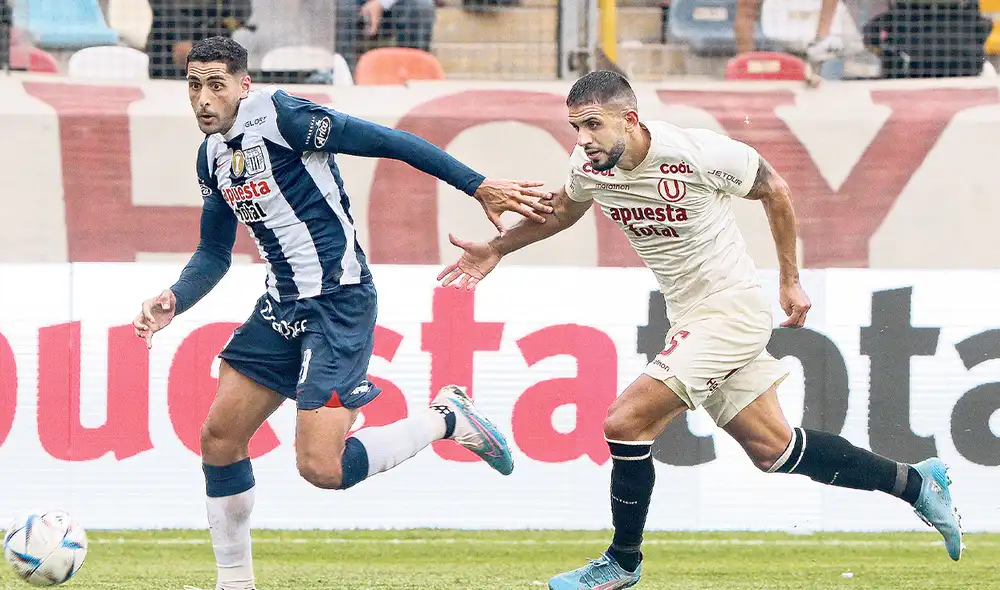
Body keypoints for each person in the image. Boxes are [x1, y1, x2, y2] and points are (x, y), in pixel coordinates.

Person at [438, 70, 964, 590]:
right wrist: (497, 248)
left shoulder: (700, 153)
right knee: (773, 450)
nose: (582, 139)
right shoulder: (589, 165)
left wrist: (790, 280)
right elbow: (563, 213)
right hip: (688, 315)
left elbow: (774, 190)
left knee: (625, 421)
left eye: (592, 125)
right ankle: (916, 483)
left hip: (732, 311)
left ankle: (622, 562)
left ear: (630, 119)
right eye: (575, 127)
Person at [131, 36, 553, 590]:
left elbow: (391, 141)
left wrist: (476, 185)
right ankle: (235, 583)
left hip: (338, 304)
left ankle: (446, 419)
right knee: (219, 438)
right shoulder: (212, 156)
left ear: (243, 85)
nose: (204, 98)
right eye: (194, 86)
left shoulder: (285, 119)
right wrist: (175, 299)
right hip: (281, 307)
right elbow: (214, 252)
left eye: (216, 85)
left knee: (322, 469)